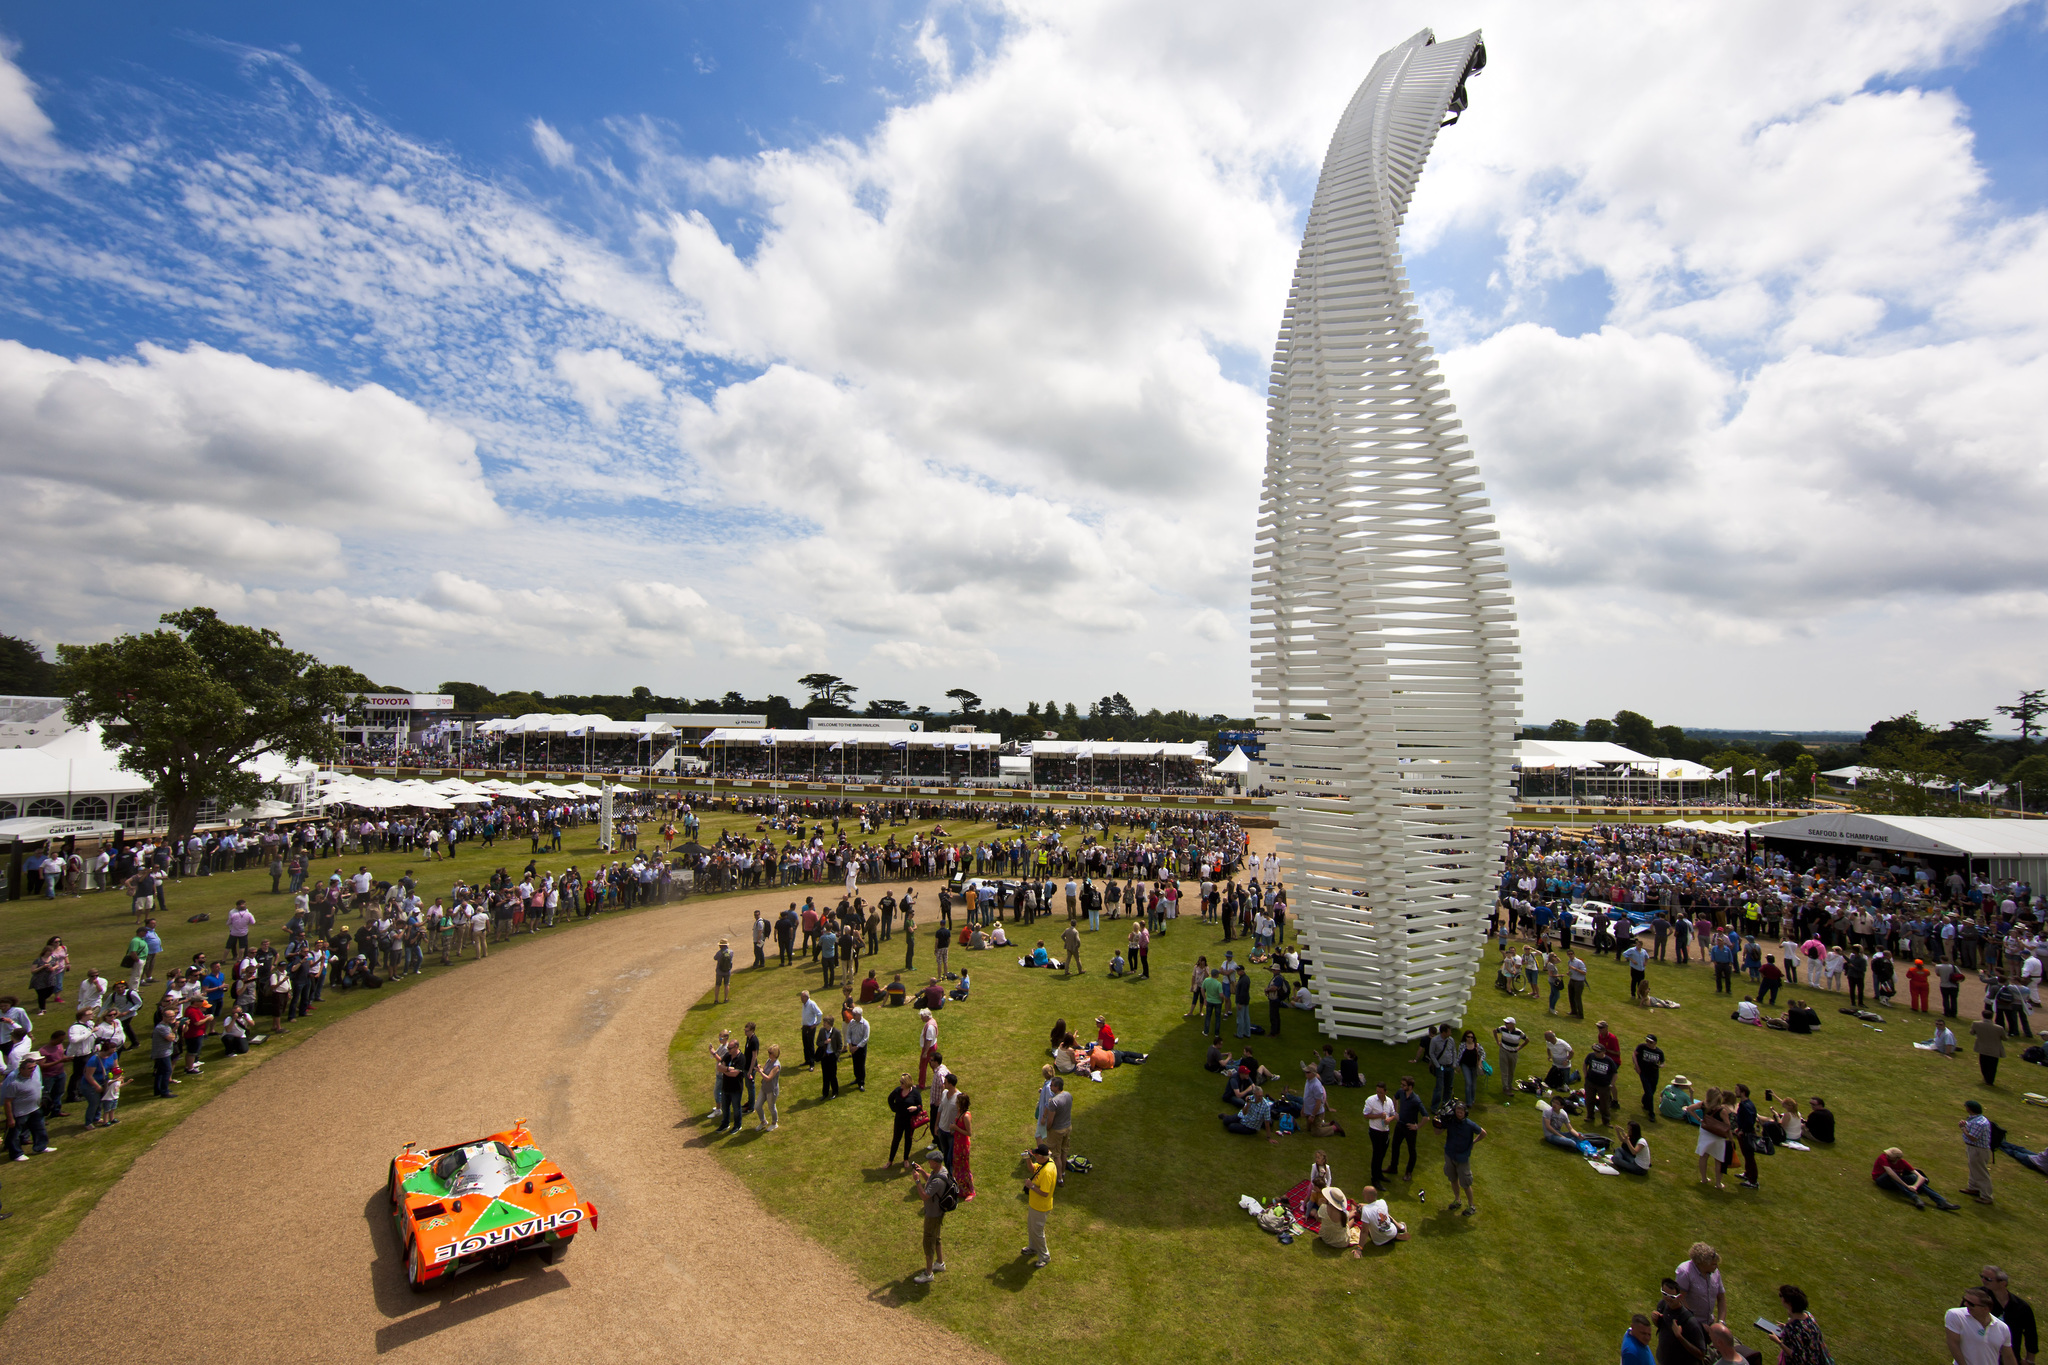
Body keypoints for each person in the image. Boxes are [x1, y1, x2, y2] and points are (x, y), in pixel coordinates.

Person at [1433, 1100, 1485, 1214]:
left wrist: (1473, 1143)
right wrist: (1437, 1122)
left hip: (1462, 1158)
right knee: (1453, 1179)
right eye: (1457, 1110)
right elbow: (1437, 1132)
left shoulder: (1470, 1124)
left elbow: (1483, 1133)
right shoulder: (1451, 1121)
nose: (1459, 1112)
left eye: (1461, 1110)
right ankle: (1457, 1200)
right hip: (1450, 1154)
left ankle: (1471, 1206)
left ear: (1465, 1112)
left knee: (1465, 1183)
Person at [907, 1156, 952, 1284]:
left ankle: (928, 1273)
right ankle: (939, 1263)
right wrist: (922, 1172)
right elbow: (931, 1180)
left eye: (930, 1161)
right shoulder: (941, 1172)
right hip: (939, 1212)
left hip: (933, 1215)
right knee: (936, 1237)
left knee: (928, 1242)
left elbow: (924, 1196)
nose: (928, 1162)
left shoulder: (938, 1181)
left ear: (936, 1163)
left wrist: (917, 1181)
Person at [1871, 1146, 1961, 1209]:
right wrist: (1907, 1186)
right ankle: (1914, 1197)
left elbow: (1920, 1177)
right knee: (1893, 1174)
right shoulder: (1882, 1158)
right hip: (1882, 1180)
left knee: (1913, 1177)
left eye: (1889, 1155)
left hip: (1895, 1182)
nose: (1887, 1155)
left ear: (1896, 1158)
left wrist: (1915, 1186)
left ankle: (1941, 1201)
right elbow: (1891, 1174)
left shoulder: (1902, 1163)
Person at [1980, 1266, 2038, 1365]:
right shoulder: (1978, 1299)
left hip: (2009, 1357)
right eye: (1982, 1277)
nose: (1983, 1280)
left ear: (2003, 1283)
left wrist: (2029, 1360)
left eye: (1988, 1279)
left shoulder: (2021, 1307)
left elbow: (2030, 1334)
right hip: (1983, 1355)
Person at [1951, 1286, 2023, 1365]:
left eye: (1971, 1304)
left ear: (1985, 1309)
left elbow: (2008, 1356)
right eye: (1965, 1300)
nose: (1965, 1304)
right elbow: (1953, 1344)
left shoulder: (2002, 1328)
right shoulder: (1955, 1315)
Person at [1654, 1277, 1710, 1365]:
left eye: (1672, 1297)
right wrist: (1656, 1321)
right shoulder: (1662, 1306)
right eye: (1664, 1294)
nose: (1667, 1299)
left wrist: (1679, 1337)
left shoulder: (1690, 1322)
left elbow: (1701, 1354)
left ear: (1680, 1297)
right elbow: (1664, 1329)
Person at [1767, 1285, 1829, 1365]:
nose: (1780, 1299)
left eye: (1781, 1296)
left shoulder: (1793, 1328)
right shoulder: (1808, 1315)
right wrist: (1785, 1327)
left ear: (1789, 1303)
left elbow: (1797, 1356)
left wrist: (1778, 1342)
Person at [1023, 1144, 1056, 1268]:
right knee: (1031, 1227)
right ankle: (1032, 1247)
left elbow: (1045, 1193)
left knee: (1038, 1232)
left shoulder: (1047, 1172)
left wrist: (1031, 1186)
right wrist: (1028, 1159)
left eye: (1036, 1155)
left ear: (1042, 1157)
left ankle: (1045, 1256)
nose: (1034, 1156)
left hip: (1041, 1207)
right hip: (1034, 1204)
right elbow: (1033, 1170)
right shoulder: (1045, 1162)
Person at [1675, 1244, 1726, 1326]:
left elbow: (1721, 1298)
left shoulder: (1715, 1272)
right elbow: (1680, 1299)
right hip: (1689, 1324)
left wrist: (1721, 1322)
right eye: (1713, 1264)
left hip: (1709, 1324)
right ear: (1702, 1263)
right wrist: (1696, 1323)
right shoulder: (1685, 1271)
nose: (1716, 1267)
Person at [1961, 1099, 1997, 1205]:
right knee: (1974, 1169)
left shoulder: (1980, 1123)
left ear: (1970, 1109)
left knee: (1981, 1173)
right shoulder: (1976, 1119)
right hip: (1974, 1149)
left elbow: (1973, 1137)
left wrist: (1963, 1128)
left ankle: (1986, 1196)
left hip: (1978, 1150)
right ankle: (1973, 1188)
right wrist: (1965, 1124)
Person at [1363, 1081, 1397, 1187]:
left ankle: (1379, 1174)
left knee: (1382, 1154)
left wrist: (1389, 1120)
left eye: (1381, 1092)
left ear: (1385, 1092)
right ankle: (1375, 1179)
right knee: (1377, 1154)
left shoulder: (1389, 1101)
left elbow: (1393, 1114)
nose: (1378, 1094)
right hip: (1375, 1131)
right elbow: (1366, 1115)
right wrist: (1378, 1115)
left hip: (1385, 1132)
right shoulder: (1371, 1100)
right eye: (1377, 1091)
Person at [887, 1073, 923, 1165]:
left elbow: (920, 1106)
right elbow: (890, 1099)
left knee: (908, 1139)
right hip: (899, 1119)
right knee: (896, 1139)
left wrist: (915, 1108)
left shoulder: (915, 1093)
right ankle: (890, 1160)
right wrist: (895, 1109)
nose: (900, 1084)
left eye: (902, 1082)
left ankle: (906, 1159)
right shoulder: (898, 1090)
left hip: (910, 1121)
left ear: (907, 1083)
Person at [1043, 1076, 1073, 1178]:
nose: (1050, 1087)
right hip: (1068, 1127)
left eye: (1052, 1085)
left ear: (1057, 1087)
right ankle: (1063, 1172)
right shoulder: (1069, 1095)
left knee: (1056, 1155)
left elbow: (1050, 1119)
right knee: (1064, 1151)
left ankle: (1059, 1178)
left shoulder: (1053, 1102)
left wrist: (1047, 1128)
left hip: (1057, 1130)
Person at [1973, 1007, 2009, 1085]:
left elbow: (1972, 1032)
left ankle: (1986, 1078)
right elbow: (2005, 1038)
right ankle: (1989, 1081)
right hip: (1994, 1050)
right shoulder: (1999, 1028)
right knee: (1992, 1067)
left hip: (1982, 1048)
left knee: (1983, 1064)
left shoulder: (1976, 1024)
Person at [1493, 1017, 1525, 1102]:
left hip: (1514, 1053)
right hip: (1504, 1051)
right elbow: (1494, 1031)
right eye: (1505, 1023)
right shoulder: (1502, 1029)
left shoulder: (1519, 1032)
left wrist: (1520, 1047)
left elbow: (1527, 1039)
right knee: (1504, 1070)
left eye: (1507, 1023)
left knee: (1511, 1070)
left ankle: (1509, 1085)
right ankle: (1505, 1088)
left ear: (1512, 1024)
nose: (1505, 1025)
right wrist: (1497, 1041)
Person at [755, 1043, 781, 1132]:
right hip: (764, 1087)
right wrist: (760, 1068)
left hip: (771, 1089)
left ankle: (774, 1123)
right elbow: (764, 1070)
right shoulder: (768, 1060)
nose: (768, 1054)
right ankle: (763, 1121)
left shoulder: (776, 1066)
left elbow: (768, 1078)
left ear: (775, 1054)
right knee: (757, 1106)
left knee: (771, 1107)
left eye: (770, 1052)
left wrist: (760, 1072)